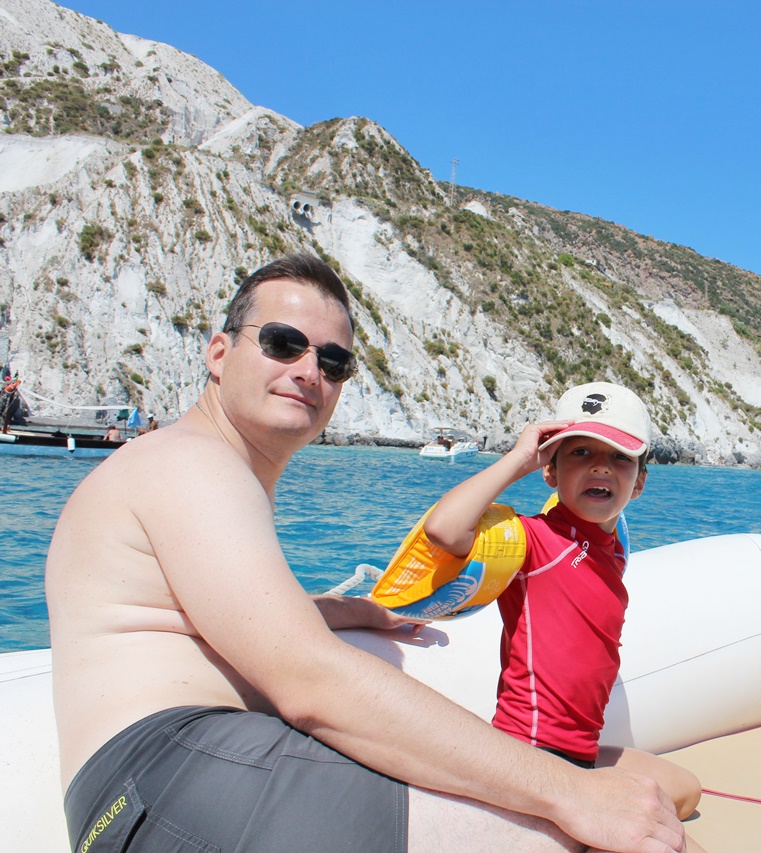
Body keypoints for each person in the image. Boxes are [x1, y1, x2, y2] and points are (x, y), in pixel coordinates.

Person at [45, 255, 686, 853]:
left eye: (333, 360)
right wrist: (571, 793)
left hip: (164, 785)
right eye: (281, 343)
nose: (308, 370)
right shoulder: (191, 463)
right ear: (218, 353)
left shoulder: (194, 469)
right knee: (585, 835)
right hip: (174, 773)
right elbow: (311, 679)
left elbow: (216, 616)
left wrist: (351, 610)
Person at [423, 382, 705, 846]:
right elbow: (444, 529)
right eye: (579, 453)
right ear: (550, 473)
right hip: (532, 754)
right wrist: (518, 460)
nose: (600, 466)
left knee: (684, 791)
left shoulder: (612, 551)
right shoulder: (534, 541)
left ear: (638, 483)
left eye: (619, 457)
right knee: (670, 838)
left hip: (582, 752)